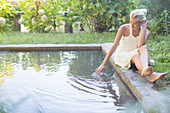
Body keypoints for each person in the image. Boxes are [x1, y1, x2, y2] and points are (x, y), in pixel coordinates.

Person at [95, 9, 168, 83]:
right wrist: (103, 64)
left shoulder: (147, 32)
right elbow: (115, 45)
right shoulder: (124, 28)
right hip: (123, 54)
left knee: (144, 47)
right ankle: (152, 75)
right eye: (131, 22)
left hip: (137, 54)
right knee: (135, 55)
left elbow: (140, 45)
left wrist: (144, 29)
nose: (132, 25)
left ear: (142, 22)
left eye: (135, 23)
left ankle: (145, 68)